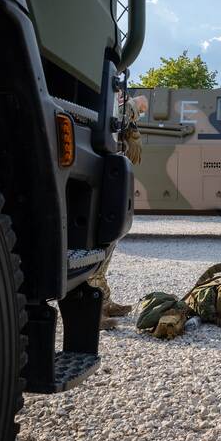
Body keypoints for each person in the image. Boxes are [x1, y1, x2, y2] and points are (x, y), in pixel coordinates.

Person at [90, 94, 148, 330]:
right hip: (97, 177)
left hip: (108, 176)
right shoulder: (104, 100)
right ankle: (92, 311)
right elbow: (115, 117)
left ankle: (103, 301)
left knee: (107, 245)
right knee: (94, 247)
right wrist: (134, 105)